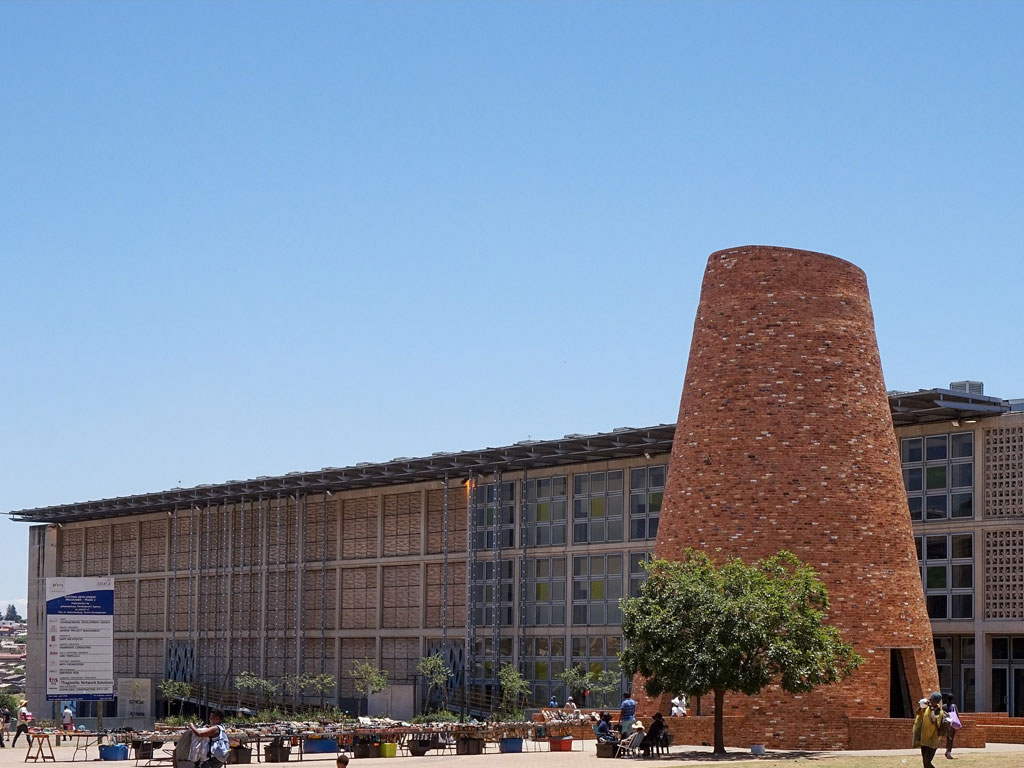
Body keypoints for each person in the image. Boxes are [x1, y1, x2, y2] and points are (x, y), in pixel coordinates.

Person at [913, 692, 947, 768]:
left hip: (932, 741)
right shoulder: (926, 709)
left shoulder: (939, 711)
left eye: (931, 700)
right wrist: (921, 706)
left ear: (935, 702)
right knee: (925, 763)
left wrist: (931, 709)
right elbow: (917, 713)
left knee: (927, 762)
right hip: (924, 740)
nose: (929, 701)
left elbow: (933, 720)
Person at [941, 693, 958, 759]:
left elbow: (941, 714)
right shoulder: (954, 706)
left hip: (945, 723)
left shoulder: (944, 706)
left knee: (947, 738)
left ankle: (947, 751)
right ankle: (948, 752)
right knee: (950, 738)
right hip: (952, 724)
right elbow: (956, 715)